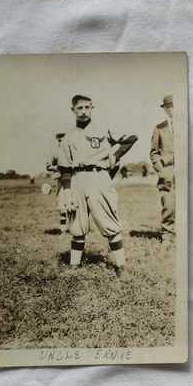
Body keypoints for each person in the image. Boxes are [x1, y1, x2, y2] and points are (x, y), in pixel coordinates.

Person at [59, 95, 137, 276]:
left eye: (87, 107)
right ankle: (74, 266)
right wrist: (67, 191)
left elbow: (130, 138)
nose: (84, 111)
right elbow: (64, 168)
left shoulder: (103, 129)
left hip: (99, 177)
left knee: (109, 222)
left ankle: (120, 266)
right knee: (77, 224)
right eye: (80, 108)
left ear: (92, 108)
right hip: (77, 179)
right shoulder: (68, 137)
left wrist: (114, 156)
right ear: (73, 110)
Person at [149, 94, 176, 243]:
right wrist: (161, 170)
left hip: (186, 170)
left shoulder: (189, 125)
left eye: (174, 105)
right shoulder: (159, 128)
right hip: (168, 171)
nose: (171, 109)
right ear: (165, 109)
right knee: (168, 204)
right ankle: (167, 234)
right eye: (168, 107)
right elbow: (153, 153)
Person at [46, 132, 70, 232]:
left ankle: (75, 230)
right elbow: (48, 166)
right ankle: (63, 230)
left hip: (73, 179)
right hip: (60, 180)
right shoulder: (54, 151)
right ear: (56, 137)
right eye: (59, 136)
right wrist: (57, 167)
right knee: (61, 206)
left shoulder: (71, 148)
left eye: (63, 136)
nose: (61, 138)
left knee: (73, 205)